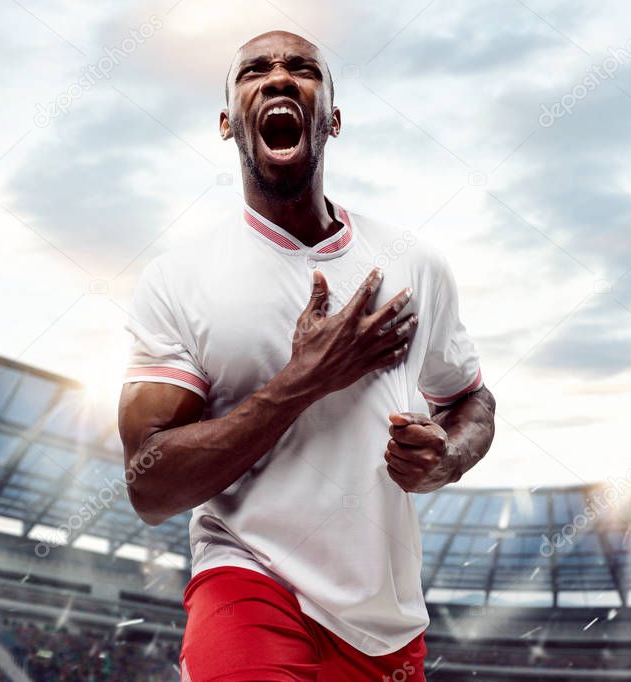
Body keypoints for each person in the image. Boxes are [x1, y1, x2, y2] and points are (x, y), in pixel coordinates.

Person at [118, 29, 496, 681]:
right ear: (226, 122)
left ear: (334, 118)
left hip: (384, 625)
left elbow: (469, 399)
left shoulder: (414, 265)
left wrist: (447, 457)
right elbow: (149, 485)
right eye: (252, 72)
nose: (278, 78)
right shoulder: (177, 279)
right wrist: (301, 381)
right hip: (248, 585)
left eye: (302, 68)